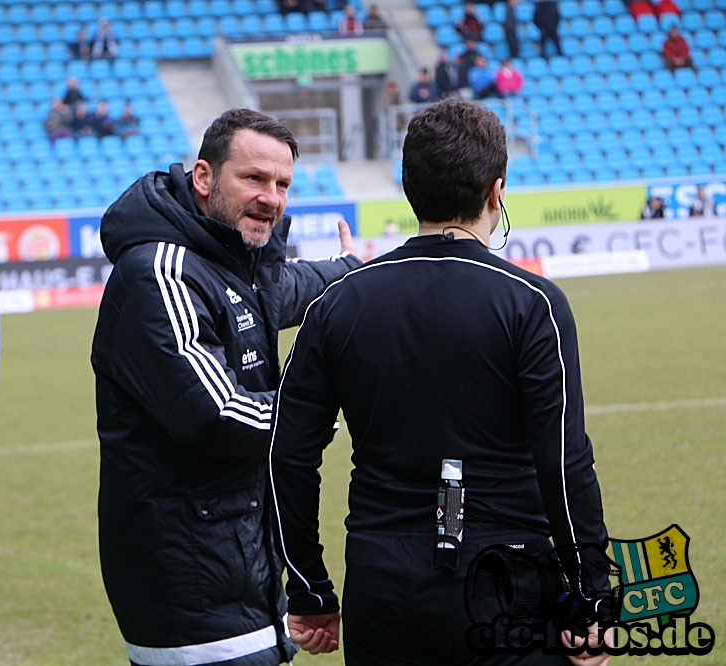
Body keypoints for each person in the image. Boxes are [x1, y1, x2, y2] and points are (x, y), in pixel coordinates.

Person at [269, 98, 610, 666]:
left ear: (410, 188)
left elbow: (289, 453)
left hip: (382, 584)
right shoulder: (533, 303)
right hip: (507, 578)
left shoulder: (335, 303)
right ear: (495, 192)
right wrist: (591, 594)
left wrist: (309, 587)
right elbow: (564, 463)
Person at [92, 108, 361, 666]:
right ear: (204, 178)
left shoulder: (231, 262)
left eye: (282, 184)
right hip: (187, 584)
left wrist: (353, 270)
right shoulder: (159, 271)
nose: (272, 196)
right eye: (254, 178)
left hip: (238, 568)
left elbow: (282, 291)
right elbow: (215, 413)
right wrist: (319, 409)